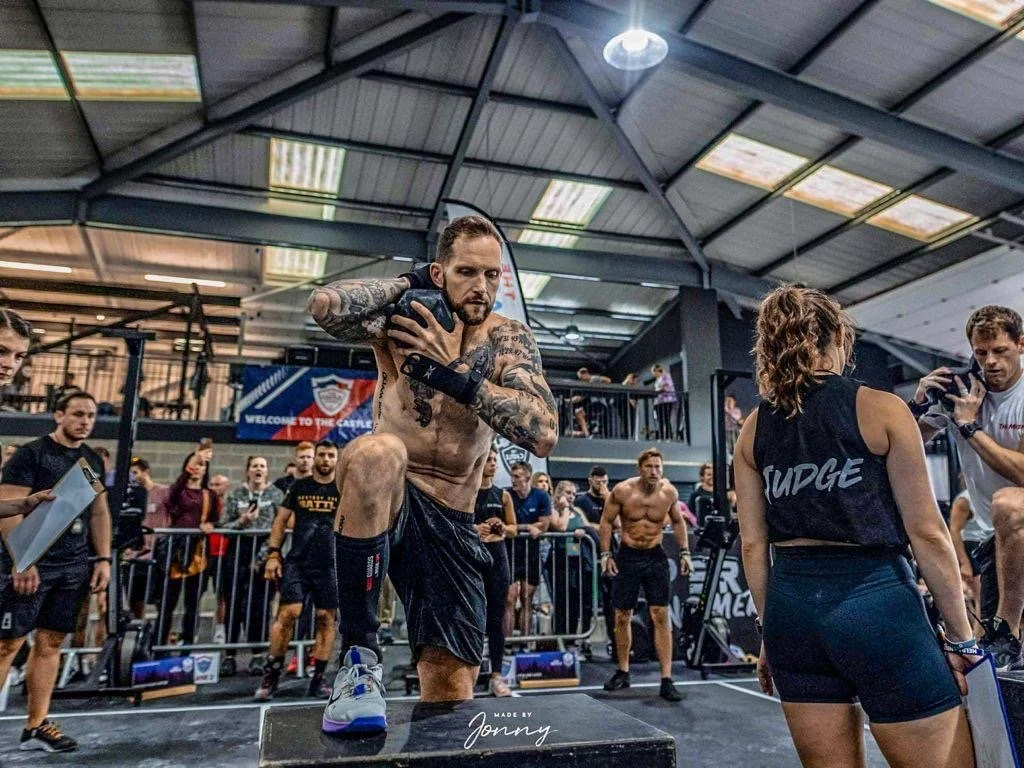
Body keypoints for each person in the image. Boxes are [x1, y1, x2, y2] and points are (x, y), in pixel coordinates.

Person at [308, 214, 557, 733]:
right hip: (392, 495)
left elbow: (542, 431)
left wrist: (455, 375)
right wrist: (407, 284)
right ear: (440, 273)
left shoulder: (506, 338)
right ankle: (359, 664)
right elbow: (325, 306)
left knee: (450, 695)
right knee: (377, 454)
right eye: (467, 271)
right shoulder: (404, 318)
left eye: (492, 275)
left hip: (453, 517)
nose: (482, 286)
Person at [734, 285, 976, 768]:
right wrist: (962, 638)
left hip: (793, 615)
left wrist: (772, 635)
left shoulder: (753, 428)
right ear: (836, 339)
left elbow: (753, 545)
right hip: (876, 605)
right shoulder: (882, 408)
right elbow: (927, 532)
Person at [911, 305, 1024, 670]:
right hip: (1003, 541)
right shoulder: (963, 393)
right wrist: (916, 405)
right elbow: (905, 444)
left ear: (1021, 345)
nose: (990, 361)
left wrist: (969, 428)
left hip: (1015, 516)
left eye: (1000, 351)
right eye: (981, 353)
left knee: (1009, 503)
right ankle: (1004, 632)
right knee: (998, 668)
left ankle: (1006, 625)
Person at [0, 390, 112, 753]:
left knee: (50, 642)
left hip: (72, 565)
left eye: (91, 416)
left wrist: (104, 559)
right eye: (78, 414)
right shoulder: (31, 454)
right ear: (58, 415)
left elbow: (98, 512)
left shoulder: (92, 458)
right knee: (7, 645)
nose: (85, 422)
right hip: (30, 563)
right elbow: (7, 510)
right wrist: (23, 560)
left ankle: (37, 725)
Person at [599, 448, 690, 702]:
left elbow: (679, 521)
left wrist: (685, 552)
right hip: (627, 556)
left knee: (660, 615)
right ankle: (623, 671)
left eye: (658, 467)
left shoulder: (668, 492)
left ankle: (666, 679)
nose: (654, 472)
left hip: (655, 556)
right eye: (649, 467)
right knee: (622, 615)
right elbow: (606, 521)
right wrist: (606, 555)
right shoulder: (623, 491)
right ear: (639, 468)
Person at [257, 441, 341, 701]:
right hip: (298, 561)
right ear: (314, 458)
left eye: (330, 455)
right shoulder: (299, 487)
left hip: (329, 564)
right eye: (322, 455)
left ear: (336, 459)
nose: (325, 459)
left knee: (326, 619)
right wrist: (273, 554)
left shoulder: (343, 489)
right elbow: (281, 520)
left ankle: (318, 679)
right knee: (288, 614)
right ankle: (271, 676)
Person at [221, 456, 284, 675]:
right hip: (237, 551)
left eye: (262, 466)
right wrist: (242, 522)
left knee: (259, 605)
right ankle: (229, 656)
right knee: (234, 605)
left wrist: (264, 556)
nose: (258, 469)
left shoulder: (276, 494)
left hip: (264, 552)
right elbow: (223, 526)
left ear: (267, 471)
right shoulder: (236, 494)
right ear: (248, 470)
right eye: (255, 466)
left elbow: (280, 526)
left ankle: (258, 655)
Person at [157, 443, 220, 648]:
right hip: (175, 548)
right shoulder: (178, 490)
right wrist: (190, 466)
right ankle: (160, 643)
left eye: (202, 465)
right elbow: (170, 501)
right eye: (194, 464)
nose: (197, 468)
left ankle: (188, 643)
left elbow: (215, 518)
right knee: (168, 601)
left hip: (198, 549)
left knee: (193, 601)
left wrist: (210, 525)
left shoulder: (209, 494)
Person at [473, 446, 517, 697]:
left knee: (496, 618)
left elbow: (514, 528)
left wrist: (502, 527)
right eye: (487, 459)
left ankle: (497, 676)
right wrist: (475, 528)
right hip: (474, 558)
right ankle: (472, 670)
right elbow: (458, 524)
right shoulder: (467, 492)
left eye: (493, 460)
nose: (492, 464)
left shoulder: (503, 495)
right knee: (473, 616)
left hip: (497, 557)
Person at [505, 461, 552, 644]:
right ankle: (506, 645)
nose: (513, 480)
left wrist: (519, 528)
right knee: (509, 599)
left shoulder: (540, 496)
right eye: (512, 476)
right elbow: (506, 525)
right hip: (509, 552)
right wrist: (527, 527)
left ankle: (525, 643)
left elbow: (545, 524)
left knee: (526, 597)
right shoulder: (506, 494)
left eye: (517, 477)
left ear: (526, 478)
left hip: (530, 553)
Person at [574, 466, 617, 659]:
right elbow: (582, 524)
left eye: (605, 482)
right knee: (587, 601)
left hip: (610, 556)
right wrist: (603, 527)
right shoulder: (582, 500)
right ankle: (583, 643)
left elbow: (618, 524)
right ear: (590, 480)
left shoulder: (612, 498)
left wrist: (607, 495)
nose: (602, 485)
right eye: (598, 481)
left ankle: (613, 641)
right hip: (588, 556)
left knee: (612, 602)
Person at [547, 481, 596, 641]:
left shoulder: (578, 511)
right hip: (560, 559)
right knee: (562, 600)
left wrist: (583, 531)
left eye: (574, 494)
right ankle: (561, 637)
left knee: (578, 600)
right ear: (559, 493)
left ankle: (576, 638)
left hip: (578, 559)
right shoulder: (554, 510)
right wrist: (565, 509)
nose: (571, 497)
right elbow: (560, 527)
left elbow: (588, 528)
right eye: (568, 493)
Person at [125, 457, 170, 620]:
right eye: (130, 473)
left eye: (135, 472)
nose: (133, 477)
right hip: (137, 555)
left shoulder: (164, 492)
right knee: (136, 599)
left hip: (158, 553)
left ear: (146, 472)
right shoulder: (130, 495)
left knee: (161, 599)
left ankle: (161, 637)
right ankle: (138, 631)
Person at [948, 488, 984, 638]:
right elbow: (954, 531)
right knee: (982, 601)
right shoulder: (964, 500)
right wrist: (964, 563)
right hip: (972, 549)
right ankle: (978, 641)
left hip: (988, 545)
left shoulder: (987, 495)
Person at [205, 474, 231, 644]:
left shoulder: (231, 505)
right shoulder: (205, 505)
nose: (214, 487)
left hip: (223, 555)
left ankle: (221, 629)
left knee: (222, 595)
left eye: (218, 484)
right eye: (212, 484)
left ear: (226, 487)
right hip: (205, 554)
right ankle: (188, 634)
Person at [651, 364, 676, 440]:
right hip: (659, 402)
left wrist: (655, 392)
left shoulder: (665, 376)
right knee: (660, 420)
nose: (653, 374)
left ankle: (669, 436)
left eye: (653, 372)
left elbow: (665, 388)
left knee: (666, 419)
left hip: (666, 401)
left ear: (656, 370)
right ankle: (661, 436)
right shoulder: (658, 379)